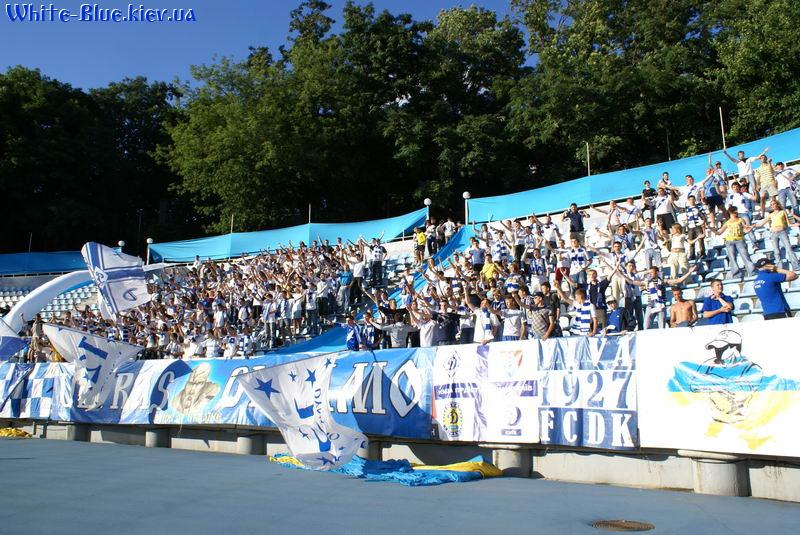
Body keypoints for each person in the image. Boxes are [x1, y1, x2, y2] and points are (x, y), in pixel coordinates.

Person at [619, 264, 696, 330]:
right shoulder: (647, 282)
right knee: (646, 326)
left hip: (661, 305)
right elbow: (632, 282)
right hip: (651, 306)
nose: (651, 274)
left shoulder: (663, 281)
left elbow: (678, 281)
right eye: (650, 272)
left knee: (661, 327)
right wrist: (622, 275)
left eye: (652, 272)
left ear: (657, 273)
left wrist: (689, 272)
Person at [751, 199, 800, 270]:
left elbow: (788, 223)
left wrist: (794, 225)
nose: (773, 206)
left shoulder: (783, 212)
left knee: (789, 249)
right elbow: (761, 223)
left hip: (782, 232)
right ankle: (780, 268)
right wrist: (752, 226)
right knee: (776, 252)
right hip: (774, 233)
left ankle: (796, 266)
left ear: (777, 204)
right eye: (771, 205)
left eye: (774, 204)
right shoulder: (771, 215)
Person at [715, 206, 754, 279]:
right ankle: (736, 275)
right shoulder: (727, 222)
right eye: (734, 212)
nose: (736, 213)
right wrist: (711, 229)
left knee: (745, 256)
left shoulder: (740, 220)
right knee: (732, 259)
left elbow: (745, 229)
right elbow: (719, 232)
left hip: (740, 240)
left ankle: (752, 272)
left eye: (736, 211)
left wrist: (749, 228)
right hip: (730, 241)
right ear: (730, 213)